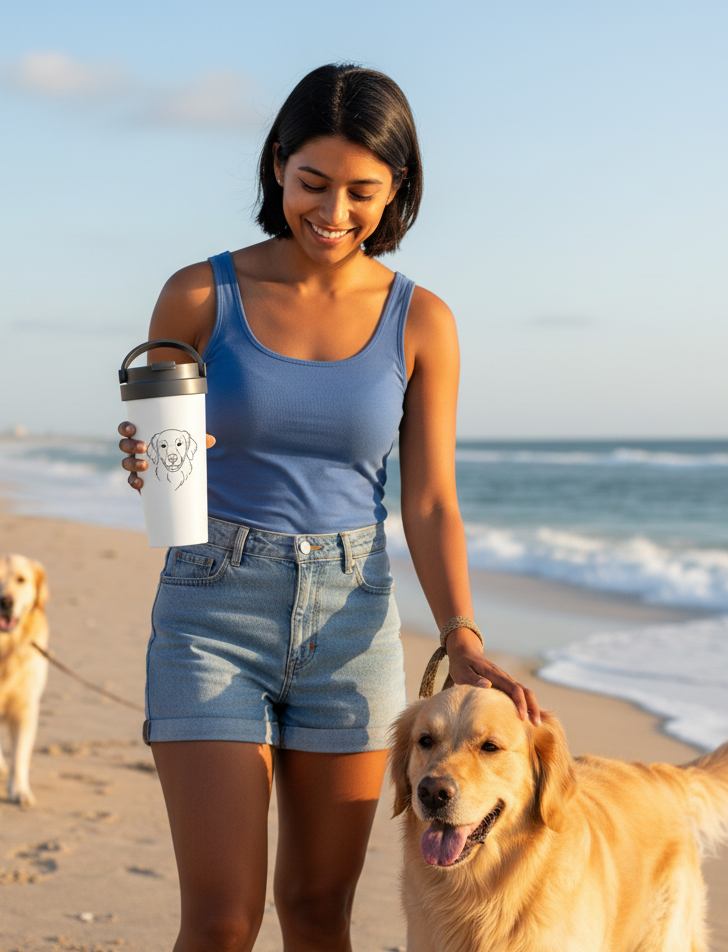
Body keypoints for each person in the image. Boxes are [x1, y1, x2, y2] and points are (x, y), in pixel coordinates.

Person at [118, 63, 540, 952]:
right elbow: (166, 489)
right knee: (224, 920)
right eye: (313, 182)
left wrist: (460, 633)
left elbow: (426, 499)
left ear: (399, 191)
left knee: (317, 912)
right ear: (277, 166)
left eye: (363, 191)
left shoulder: (423, 321)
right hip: (212, 608)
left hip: (352, 626)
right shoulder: (199, 294)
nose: (334, 212)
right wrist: (149, 465)